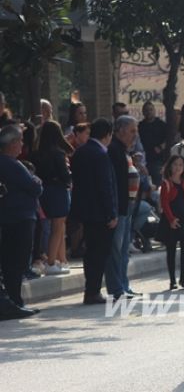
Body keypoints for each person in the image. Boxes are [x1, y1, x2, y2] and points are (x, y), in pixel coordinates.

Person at [70, 118, 118, 304]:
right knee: (99, 252)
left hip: (85, 210)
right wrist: (111, 213)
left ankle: (91, 289)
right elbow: (105, 186)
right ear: (107, 135)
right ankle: (93, 291)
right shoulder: (100, 154)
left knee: (91, 252)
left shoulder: (81, 152)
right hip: (100, 213)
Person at [0, 124, 43, 311]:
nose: (22, 145)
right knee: (16, 263)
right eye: (20, 141)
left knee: (12, 263)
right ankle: (15, 301)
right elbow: (35, 188)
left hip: (13, 217)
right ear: (12, 143)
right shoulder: (12, 164)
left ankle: (14, 300)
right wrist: (36, 181)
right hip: (19, 218)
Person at [106, 115, 141, 301]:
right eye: (132, 131)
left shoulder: (125, 151)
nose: (135, 135)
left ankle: (124, 285)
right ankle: (116, 288)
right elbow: (115, 183)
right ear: (120, 131)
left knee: (124, 249)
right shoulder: (114, 150)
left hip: (127, 207)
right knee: (116, 250)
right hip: (120, 208)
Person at [32, 120, 73, 275]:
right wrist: (69, 177)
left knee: (55, 226)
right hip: (58, 191)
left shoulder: (35, 153)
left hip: (44, 191)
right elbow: (65, 175)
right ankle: (51, 262)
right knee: (58, 227)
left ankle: (60, 260)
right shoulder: (58, 153)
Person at [159, 155, 184, 290]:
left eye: (181, 165)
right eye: (175, 164)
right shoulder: (166, 183)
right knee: (171, 251)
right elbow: (165, 203)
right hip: (171, 221)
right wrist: (171, 219)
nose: (178, 167)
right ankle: (172, 280)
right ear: (170, 166)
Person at [138, 101, 167, 186]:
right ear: (143, 112)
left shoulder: (161, 125)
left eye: (151, 110)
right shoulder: (140, 126)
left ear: (154, 111)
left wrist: (161, 147)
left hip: (157, 160)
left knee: (158, 184)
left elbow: (168, 139)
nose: (149, 112)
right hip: (143, 160)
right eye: (146, 110)